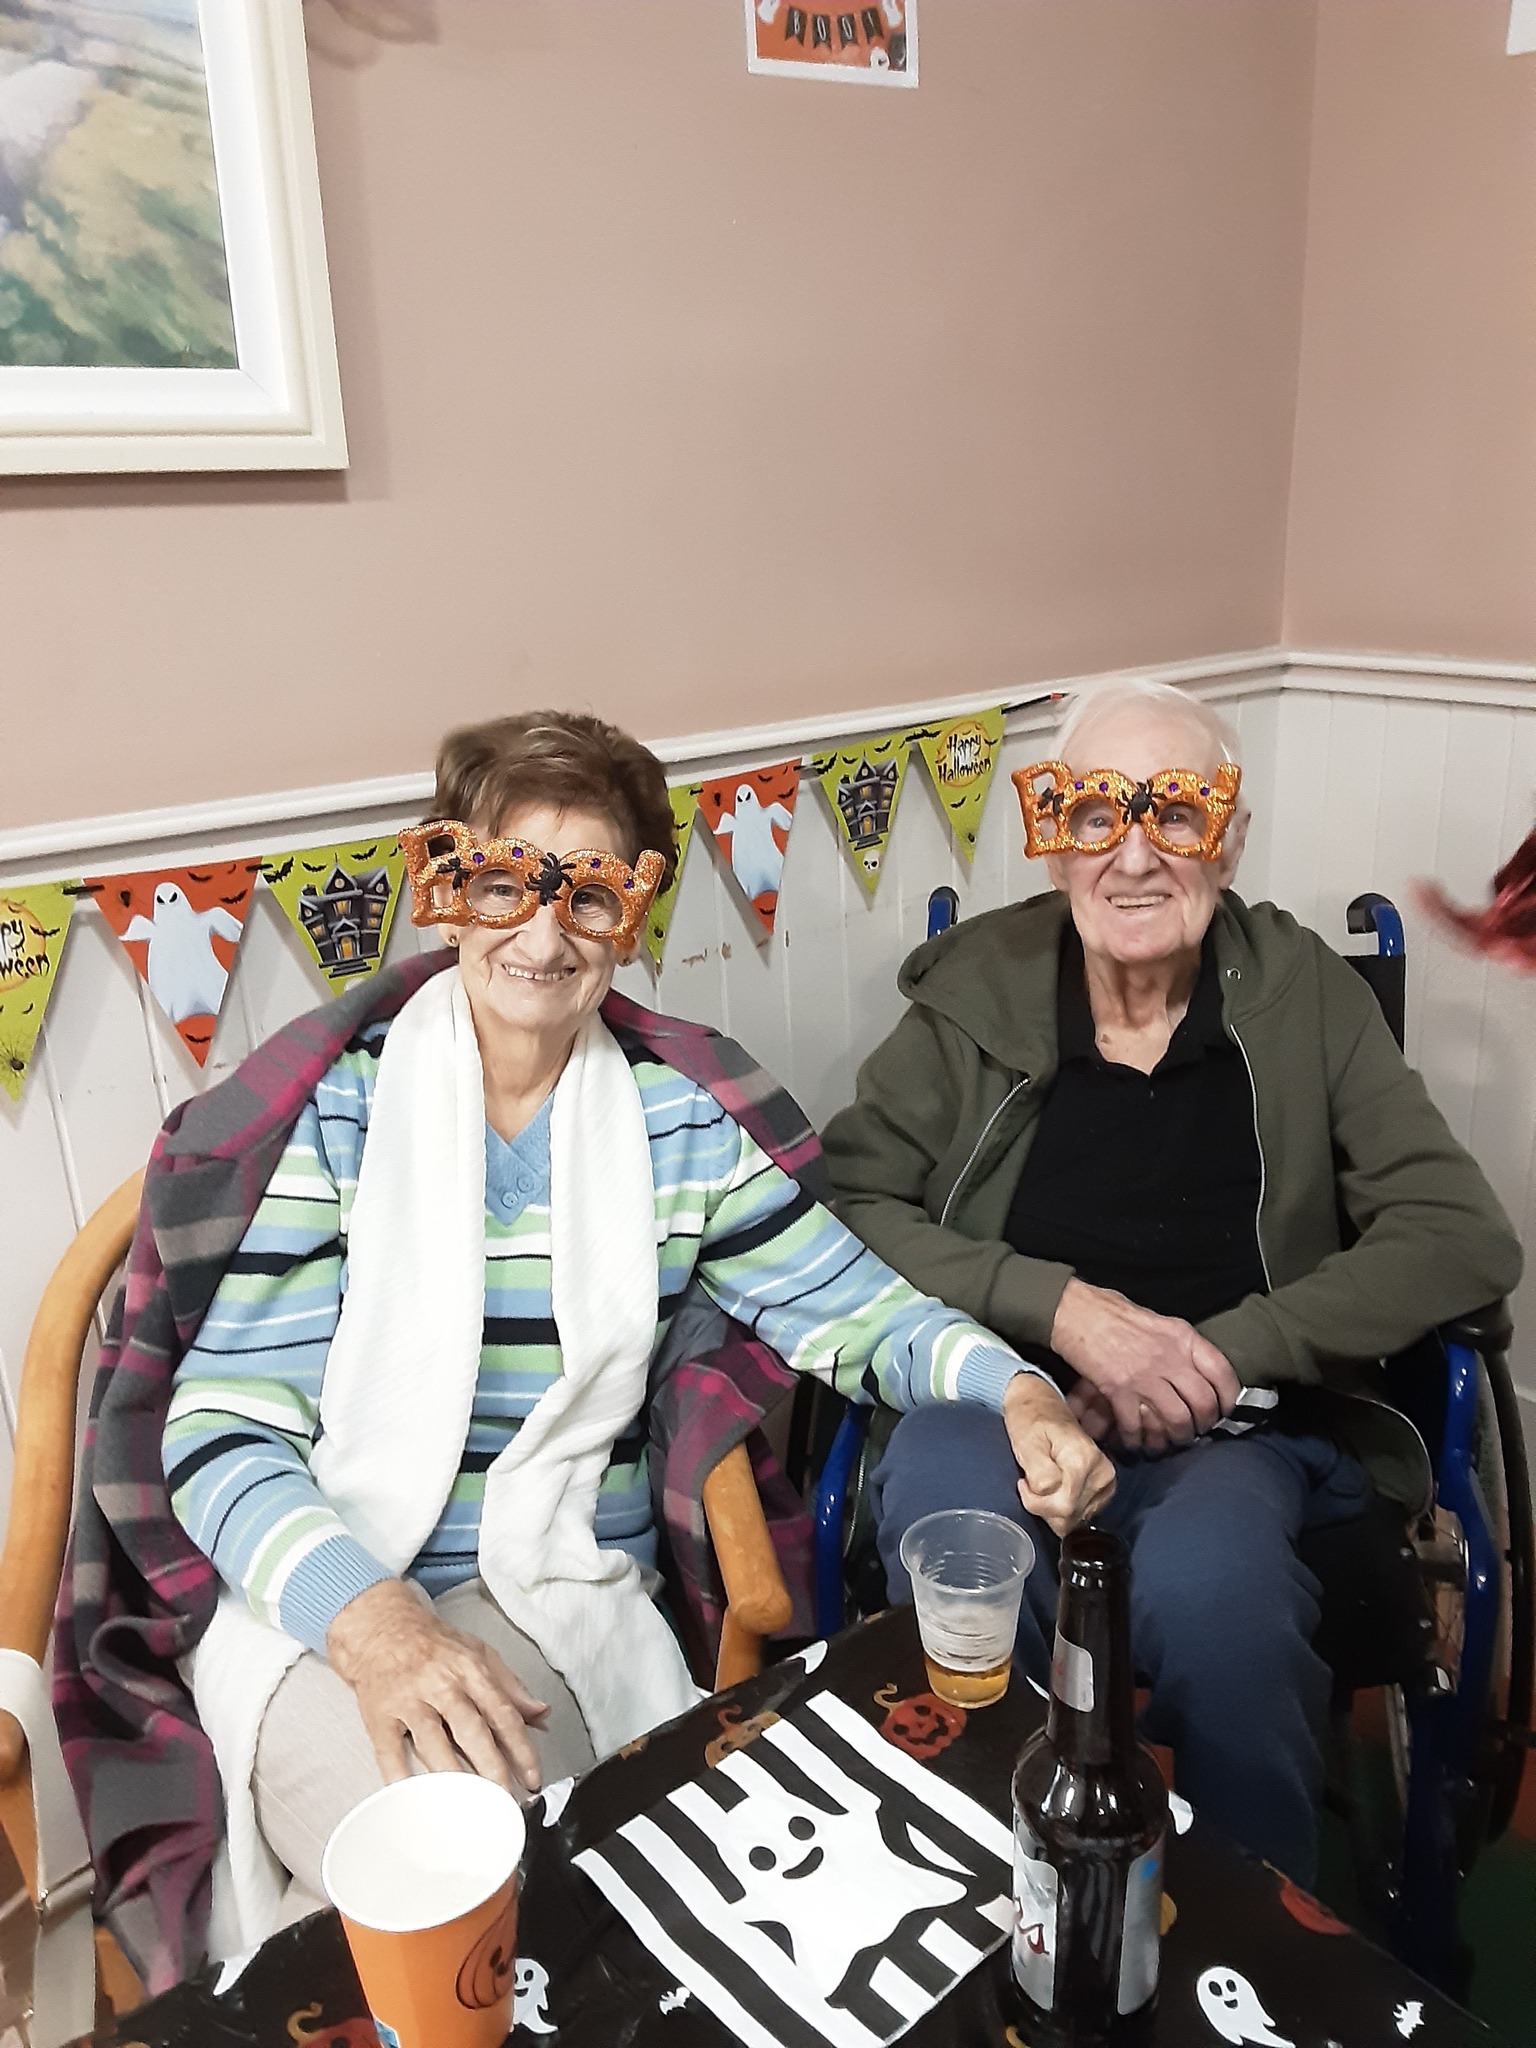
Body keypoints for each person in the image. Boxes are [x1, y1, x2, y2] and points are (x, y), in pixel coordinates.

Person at [159, 709, 1113, 1943]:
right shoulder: (341, 1115)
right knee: (459, 1883)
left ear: (635, 913)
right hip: (322, 1585)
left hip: (542, 1583)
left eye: (591, 896)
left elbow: (860, 1310)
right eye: (506, 882)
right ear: (448, 889)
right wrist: (372, 1617)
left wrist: (1021, 1388)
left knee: (473, 1880)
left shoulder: (679, 1126)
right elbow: (222, 1428)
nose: (545, 934)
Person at [821, 677, 1522, 1884]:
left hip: (1234, 1434)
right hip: (999, 1401)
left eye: (1180, 813)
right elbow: (844, 1205)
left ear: (1232, 834)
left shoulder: (1307, 995)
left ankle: (1258, 1956)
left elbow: (1462, 1234)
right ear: (1053, 838)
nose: (1134, 855)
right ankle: (979, 1886)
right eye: (1095, 813)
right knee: (953, 1516)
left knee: (1220, 1596)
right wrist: (1059, 1311)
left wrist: (1232, 1348)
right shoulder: (974, 994)